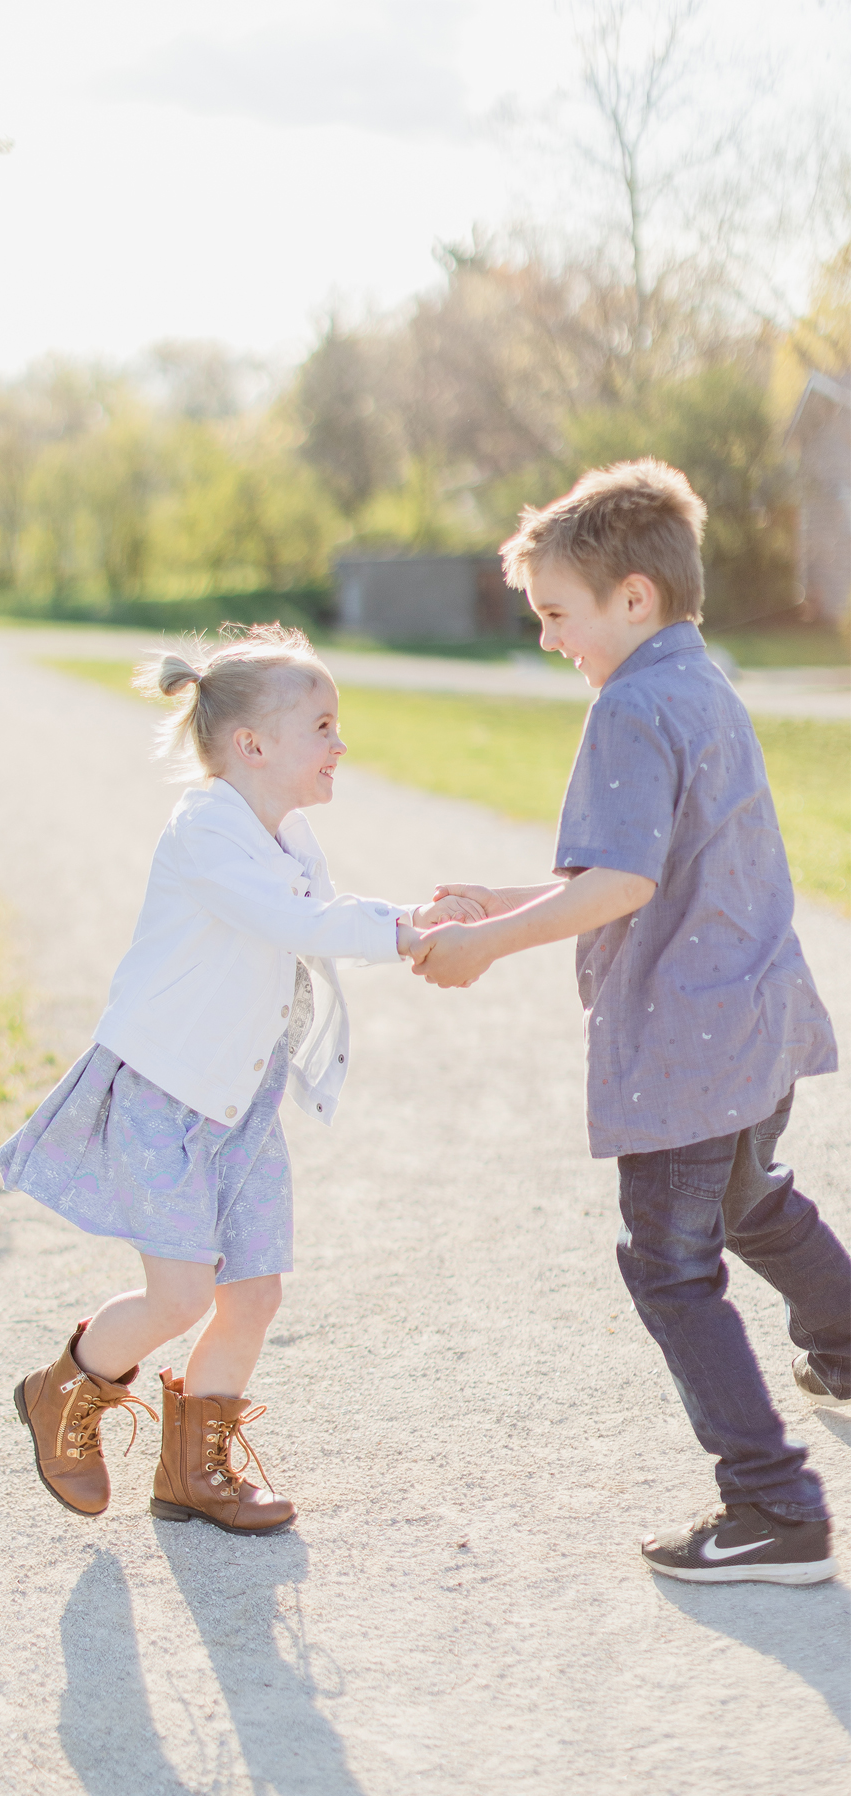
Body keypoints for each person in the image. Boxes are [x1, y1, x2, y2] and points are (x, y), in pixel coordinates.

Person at [413, 457, 845, 1588]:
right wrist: (499, 898)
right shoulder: (699, 682)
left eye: (557, 614)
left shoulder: (630, 707)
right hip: (753, 1021)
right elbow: (648, 866)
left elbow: (619, 887)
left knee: (668, 1267)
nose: (549, 638)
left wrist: (479, 948)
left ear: (632, 599)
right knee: (753, 1198)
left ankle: (773, 1508)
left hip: (685, 1049)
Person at [0, 624, 474, 1534]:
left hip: (239, 1105)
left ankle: (192, 1468)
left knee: (254, 1292)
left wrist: (410, 915)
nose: (342, 744)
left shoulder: (284, 833)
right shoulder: (206, 832)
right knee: (180, 1295)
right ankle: (64, 1389)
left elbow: (318, 912)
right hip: (166, 1099)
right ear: (253, 745)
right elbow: (296, 924)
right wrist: (404, 934)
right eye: (325, 727)